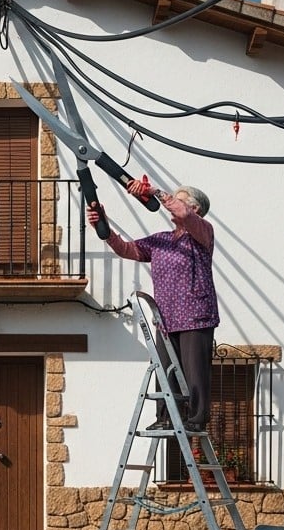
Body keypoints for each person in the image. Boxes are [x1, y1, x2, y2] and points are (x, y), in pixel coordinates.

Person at [87, 180, 218, 431]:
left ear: (195, 209)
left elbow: (181, 213)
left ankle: (197, 419)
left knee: (195, 370)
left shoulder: (203, 233)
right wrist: (102, 225)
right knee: (166, 369)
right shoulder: (161, 240)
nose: (171, 206)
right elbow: (127, 249)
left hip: (196, 314)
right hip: (167, 318)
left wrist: (154, 192)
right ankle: (166, 417)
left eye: (178, 199)